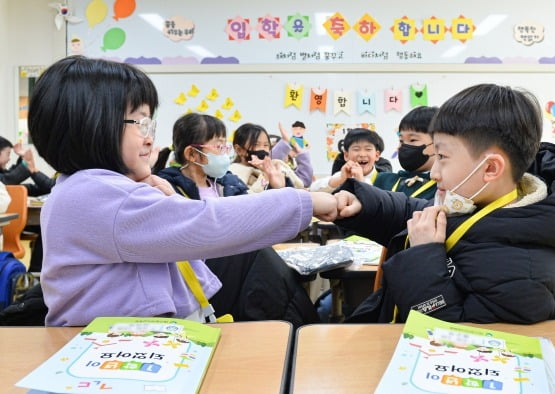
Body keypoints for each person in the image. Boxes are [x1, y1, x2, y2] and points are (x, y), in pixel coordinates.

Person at [27, 55, 336, 327]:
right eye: (140, 124)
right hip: (117, 349)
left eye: (151, 125)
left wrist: (167, 199)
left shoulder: (87, 189)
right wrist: (305, 202)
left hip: (140, 340)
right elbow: (207, 224)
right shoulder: (96, 193)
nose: (150, 139)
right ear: (90, 126)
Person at [332, 83, 555, 324]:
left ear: (490, 168)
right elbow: (413, 210)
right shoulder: (479, 202)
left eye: (443, 157)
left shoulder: (526, 277)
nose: (434, 173)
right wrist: (359, 201)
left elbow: (454, 338)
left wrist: (423, 254)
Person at [152, 113, 319, 327]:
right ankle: (300, 327)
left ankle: (292, 328)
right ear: (192, 153)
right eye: (219, 147)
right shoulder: (168, 189)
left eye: (226, 146)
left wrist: (277, 188)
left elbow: (256, 219)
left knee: (275, 275)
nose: (226, 153)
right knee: (263, 263)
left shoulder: (229, 183)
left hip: (244, 271)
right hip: (203, 274)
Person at [373, 106, 439, 198]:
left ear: (437, 143)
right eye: (401, 141)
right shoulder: (383, 181)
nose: (403, 146)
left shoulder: (444, 188)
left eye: (412, 140)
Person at [230, 123, 305, 193]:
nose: (262, 149)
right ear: (239, 150)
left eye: (266, 145)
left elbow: (299, 187)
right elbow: (246, 200)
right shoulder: (234, 172)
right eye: (256, 144)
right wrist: (265, 176)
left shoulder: (276, 165)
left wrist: (283, 181)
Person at [311, 128, 388, 193]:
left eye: (368, 149)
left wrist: (361, 182)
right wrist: (340, 179)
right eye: (356, 149)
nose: (362, 154)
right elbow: (313, 189)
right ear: (346, 155)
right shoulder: (343, 175)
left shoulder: (385, 178)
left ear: (377, 155)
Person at [271, 121, 314, 188]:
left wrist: (300, 151)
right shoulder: (271, 169)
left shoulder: (293, 169)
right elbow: (274, 160)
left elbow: (305, 181)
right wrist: (285, 141)